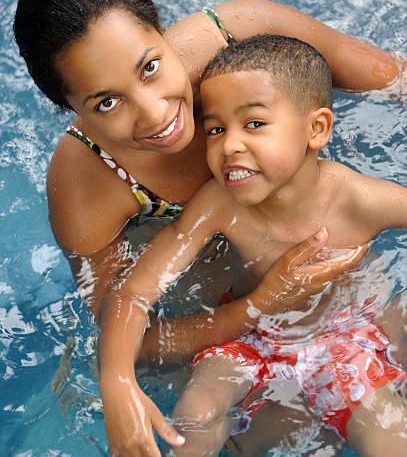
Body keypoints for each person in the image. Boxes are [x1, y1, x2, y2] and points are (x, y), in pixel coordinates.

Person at [13, 0, 401, 454]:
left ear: (161, 30)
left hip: (340, 287)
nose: (156, 114)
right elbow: (140, 336)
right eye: (106, 102)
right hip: (227, 314)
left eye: (150, 67)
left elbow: (394, 80)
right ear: (72, 108)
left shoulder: (239, 45)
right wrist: (118, 382)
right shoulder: (85, 184)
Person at [99, 35, 407, 457]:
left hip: (356, 332)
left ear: (316, 129)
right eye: (215, 129)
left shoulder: (359, 200)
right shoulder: (219, 206)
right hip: (254, 338)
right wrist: (117, 381)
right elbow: (135, 290)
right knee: (198, 412)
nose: (230, 145)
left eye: (255, 124)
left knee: (385, 427)